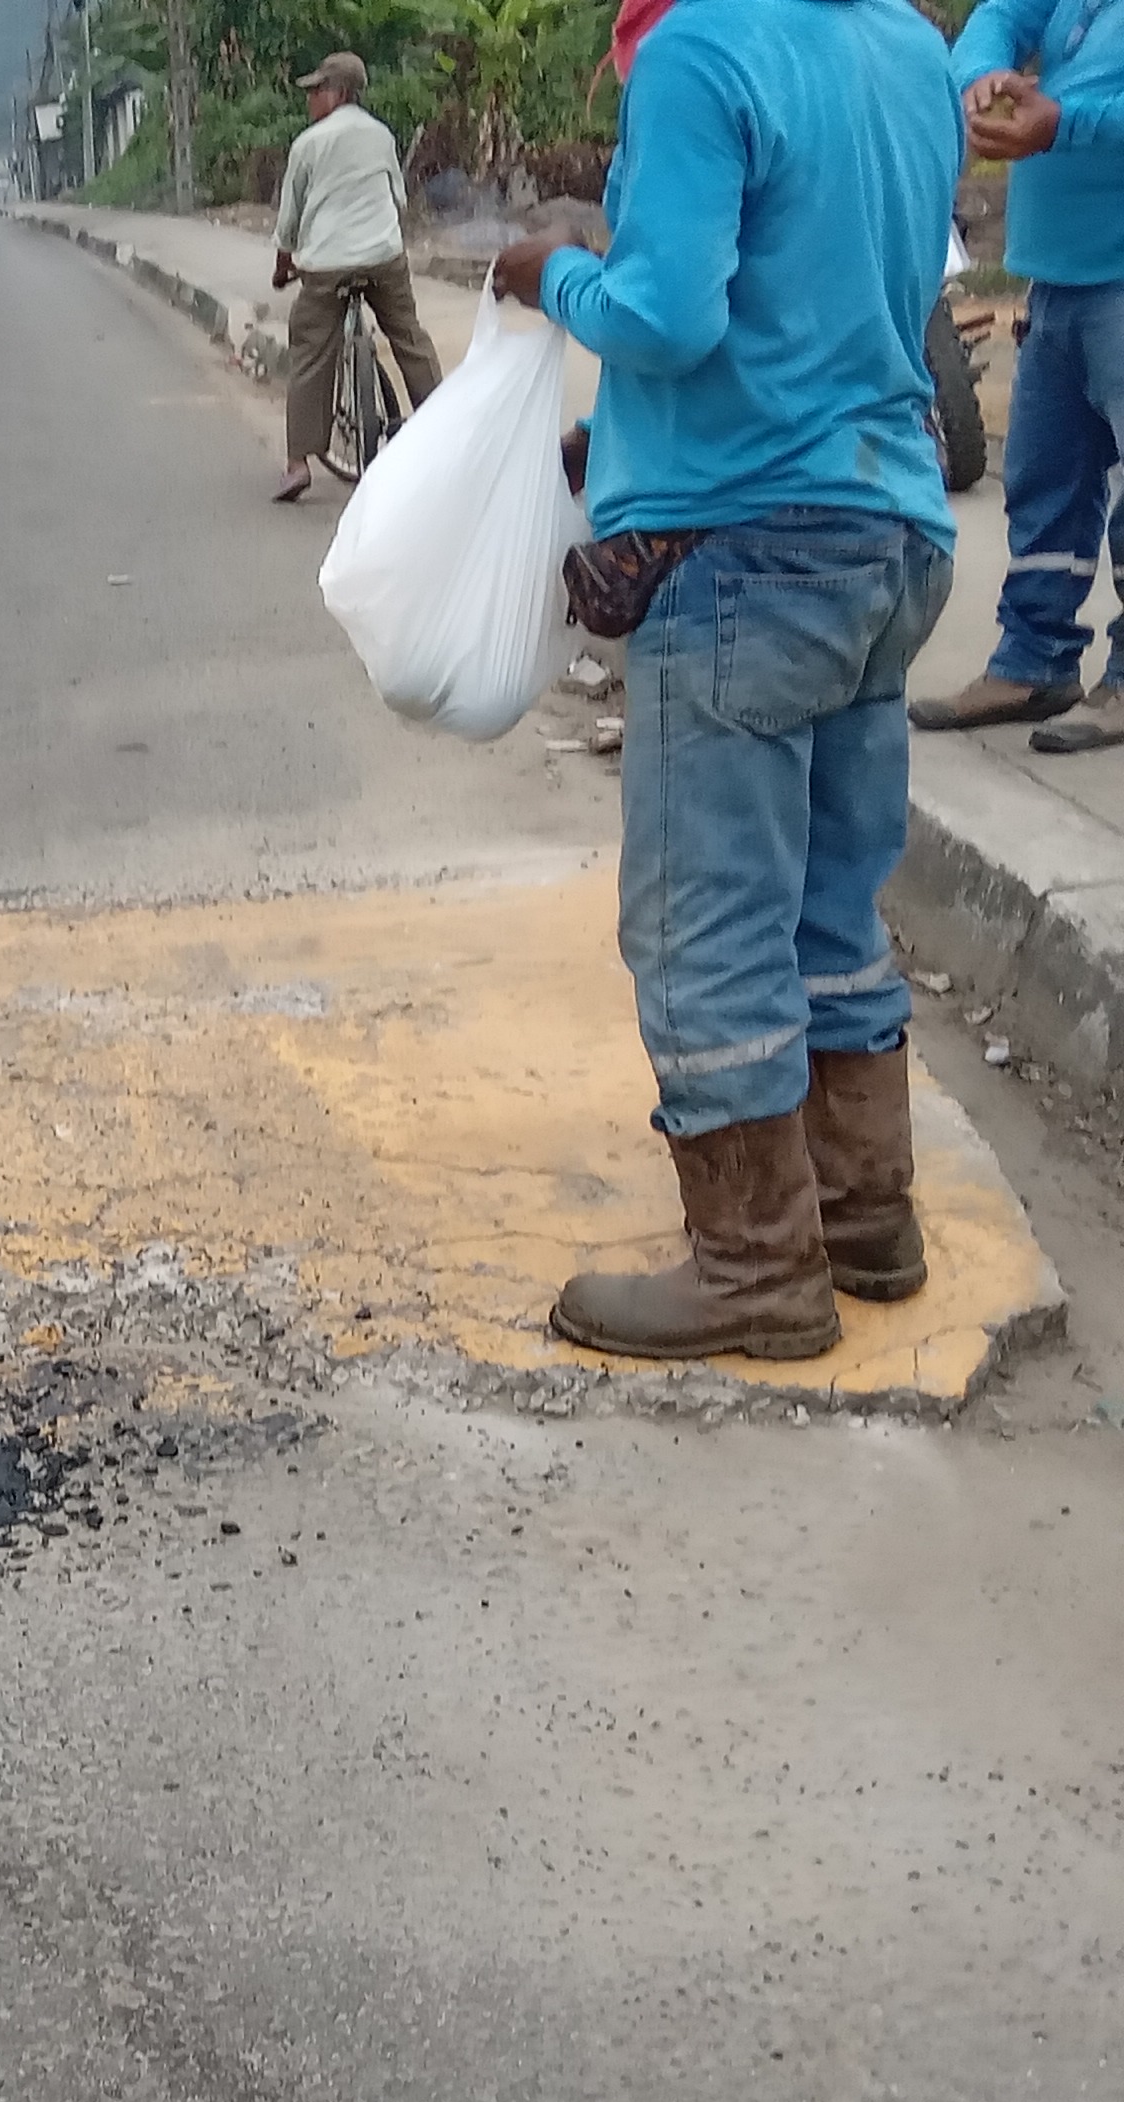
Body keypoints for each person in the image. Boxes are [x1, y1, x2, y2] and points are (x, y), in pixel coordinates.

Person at [489, 0, 960, 1359]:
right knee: (830, 903)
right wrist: (621, 438)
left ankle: (755, 1266)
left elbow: (666, 315)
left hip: (749, 553)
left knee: (703, 927)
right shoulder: (907, 46)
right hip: (888, 532)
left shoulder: (702, 49)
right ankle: (865, 1216)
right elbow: (829, 298)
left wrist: (548, 274)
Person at [903, 4, 1124, 749]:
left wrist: (1063, 124)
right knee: (1042, 480)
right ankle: (1033, 661)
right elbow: (1000, 14)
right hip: (1056, 275)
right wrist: (979, 76)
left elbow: (1070, 116)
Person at [271, 53, 441, 503]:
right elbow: (398, 200)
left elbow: (289, 223)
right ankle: (447, 432)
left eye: (317, 90)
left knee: (310, 351)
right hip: (384, 258)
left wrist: (283, 267)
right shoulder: (382, 135)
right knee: (409, 337)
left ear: (340, 93)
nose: (310, 99)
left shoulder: (307, 144)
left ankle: (297, 464)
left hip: (326, 266)